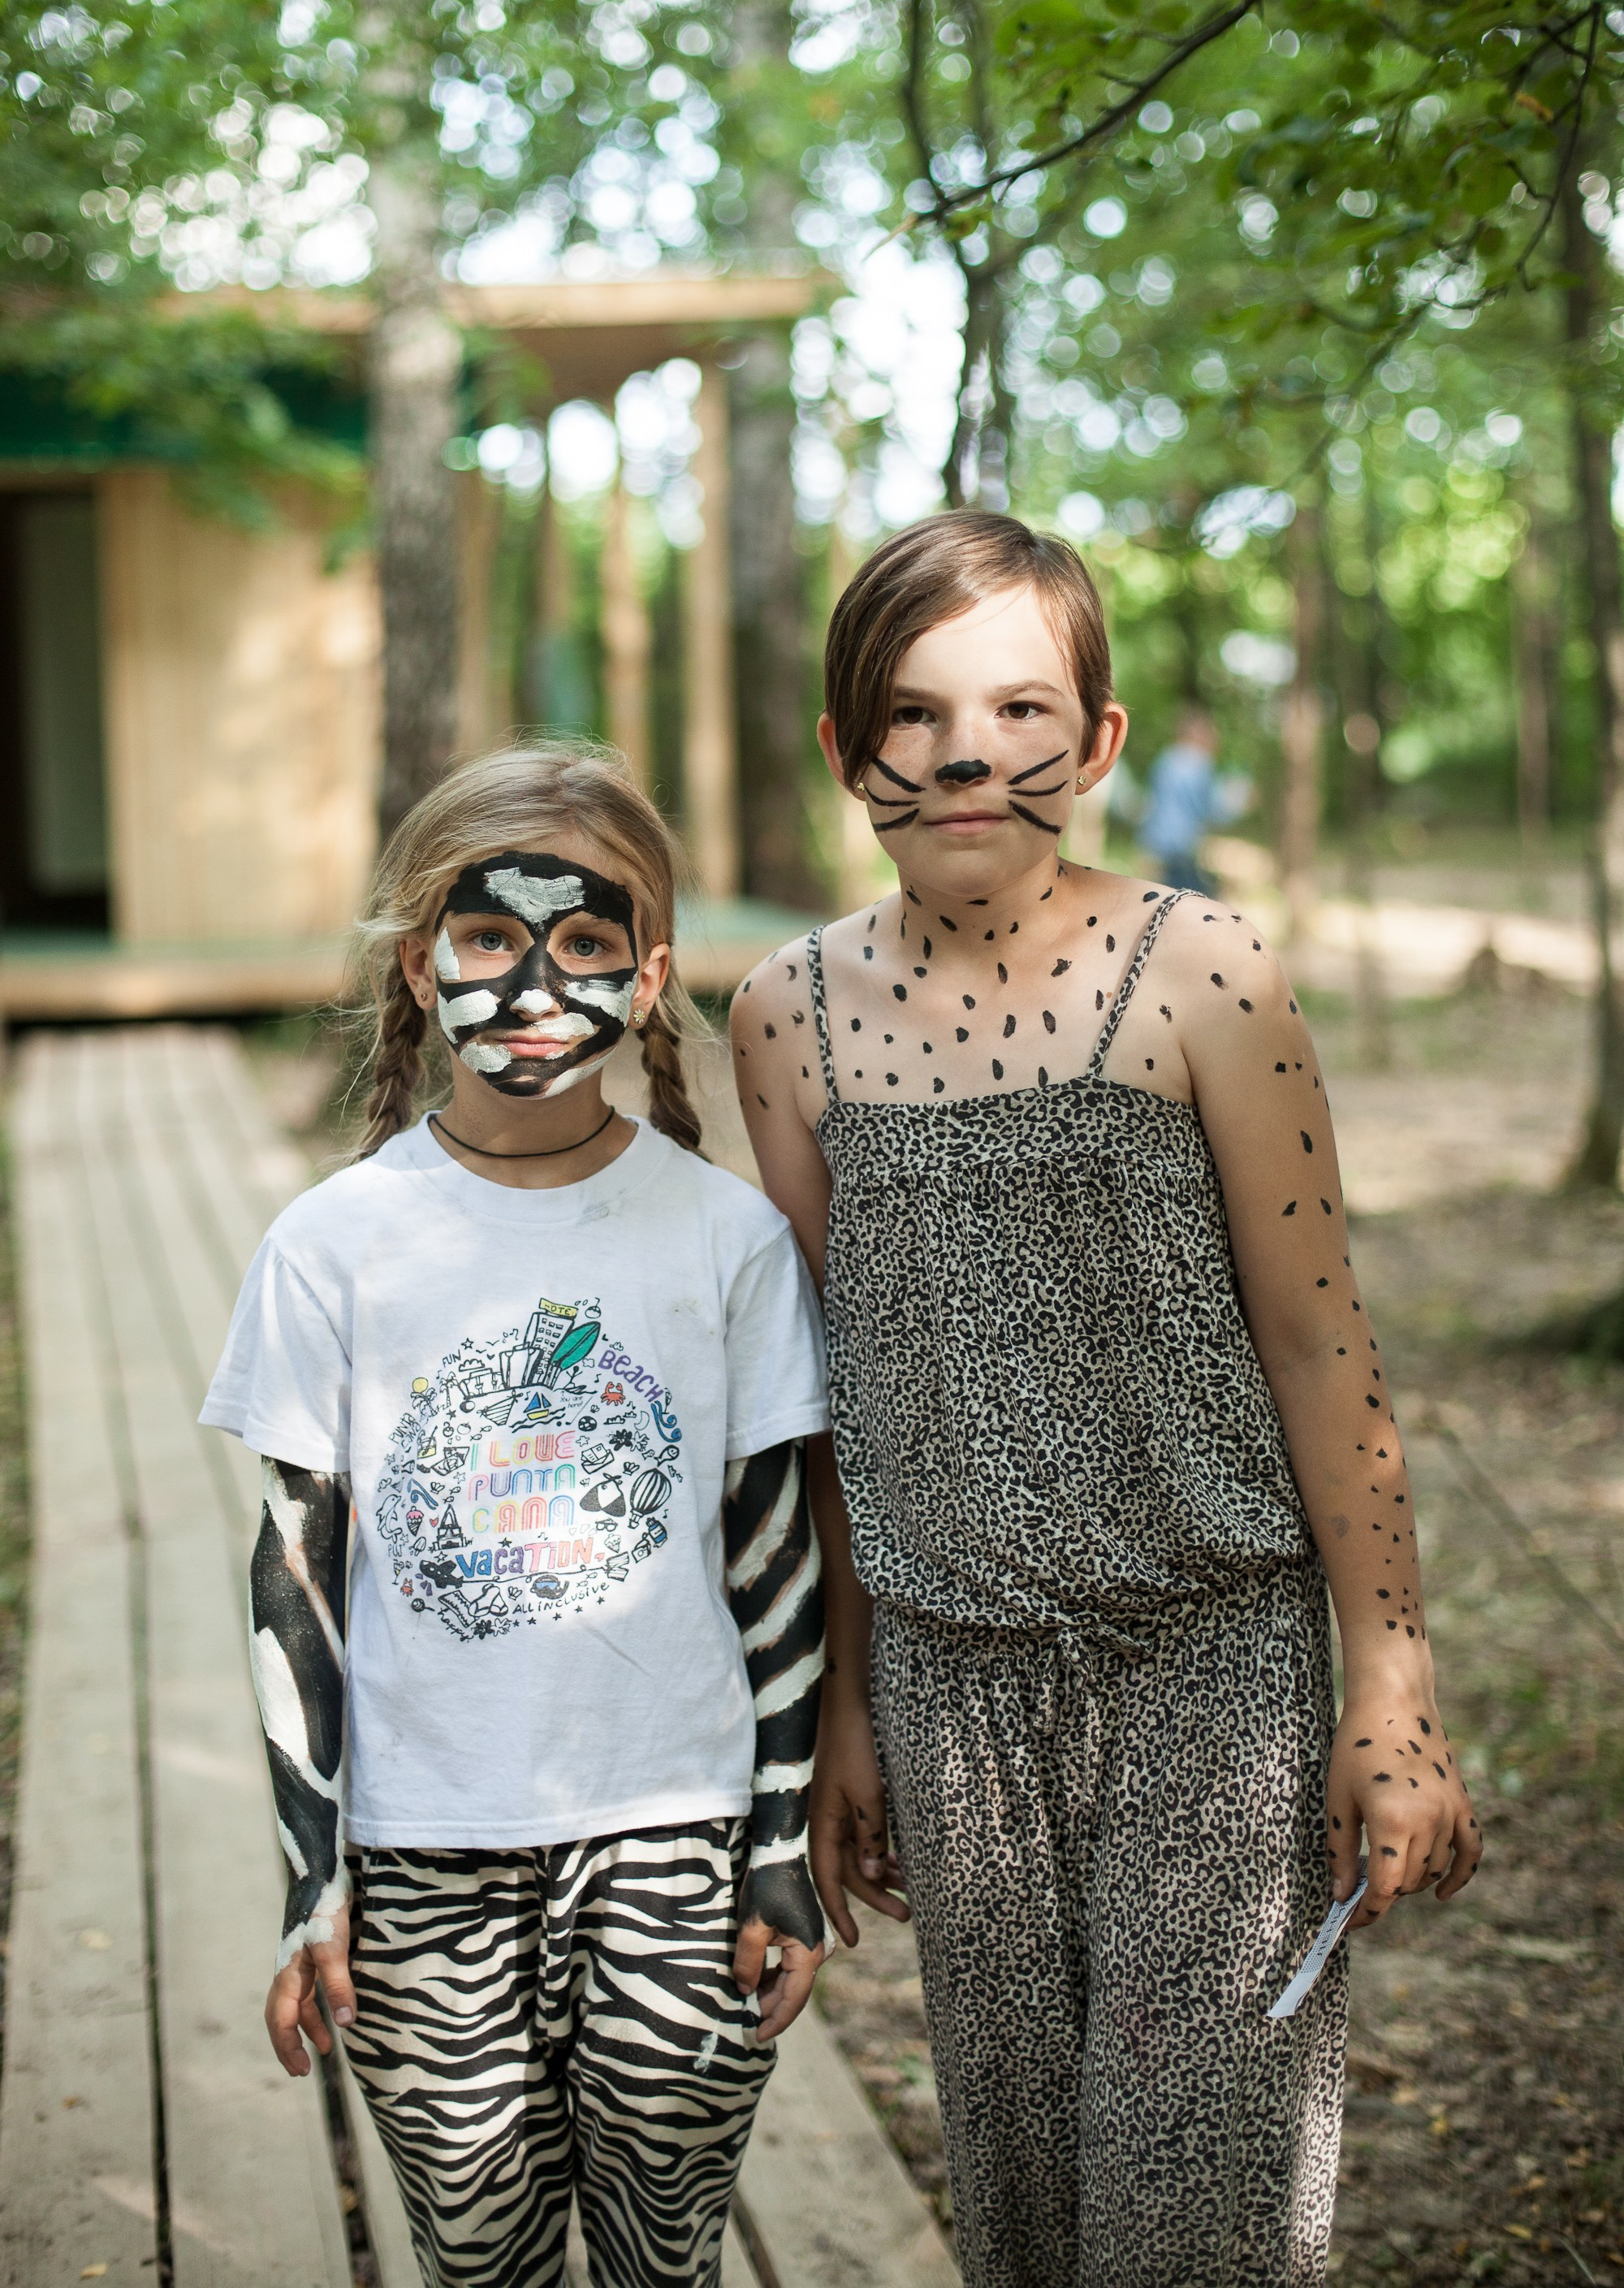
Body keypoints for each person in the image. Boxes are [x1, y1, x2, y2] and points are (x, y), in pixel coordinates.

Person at [731, 513, 1480, 2288]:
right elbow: (818, 1405)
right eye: (912, 717)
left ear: (1103, 740)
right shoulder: (785, 1021)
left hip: (1210, 1670)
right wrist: (845, 1706)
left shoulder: (1203, 975)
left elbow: (1321, 1350)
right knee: (1027, 2200)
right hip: (949, 1677)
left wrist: (1391, 1687)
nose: (968, 752)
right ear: (847, 754)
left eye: (1017, 708)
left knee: (1194, 2203)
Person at [201, 746, 831, 2288]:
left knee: (660, 2250)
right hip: (424, 1851)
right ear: (422, 966)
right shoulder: (336, 1245)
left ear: (650, 973)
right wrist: (313, 1881)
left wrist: (777, 1848)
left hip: (672, 1839)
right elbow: (298, 1577)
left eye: (585, 945)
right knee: (477, 2255)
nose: (534, 984)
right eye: (488, 941)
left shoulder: (726, 1240)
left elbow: (773, 1556)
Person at [1138, 703, 1246, 893]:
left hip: (1155, 846)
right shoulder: (1199, 764)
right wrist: (1239, 799)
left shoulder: (1165, 759)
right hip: (1179, 852)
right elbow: (1214, 811)